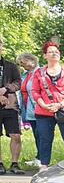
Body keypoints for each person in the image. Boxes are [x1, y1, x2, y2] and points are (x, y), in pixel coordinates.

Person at [30, 41, 64, 170]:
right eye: (51, 52)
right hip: (43, 112)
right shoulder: (38, 73)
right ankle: (44, 164)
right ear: (45, 55)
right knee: (44, 139)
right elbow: (35, 91)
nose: (54, 54)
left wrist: (60, 104)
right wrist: (44, 105)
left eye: (56, 51)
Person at [0, 38, 24, 175]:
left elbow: (18, 82)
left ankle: (15, 164)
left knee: (15, 135)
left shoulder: (10, 65)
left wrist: (6, 88)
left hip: (10, 105)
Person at [16, 52, 42, 167]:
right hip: (28, 108)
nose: (21, 65)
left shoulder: (40, 72)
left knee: (41, 134)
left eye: (22, 62)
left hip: (38, 108)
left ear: (29, 60)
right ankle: (39, 157)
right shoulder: (25, 74)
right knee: (36, 134)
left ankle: (42, 159)